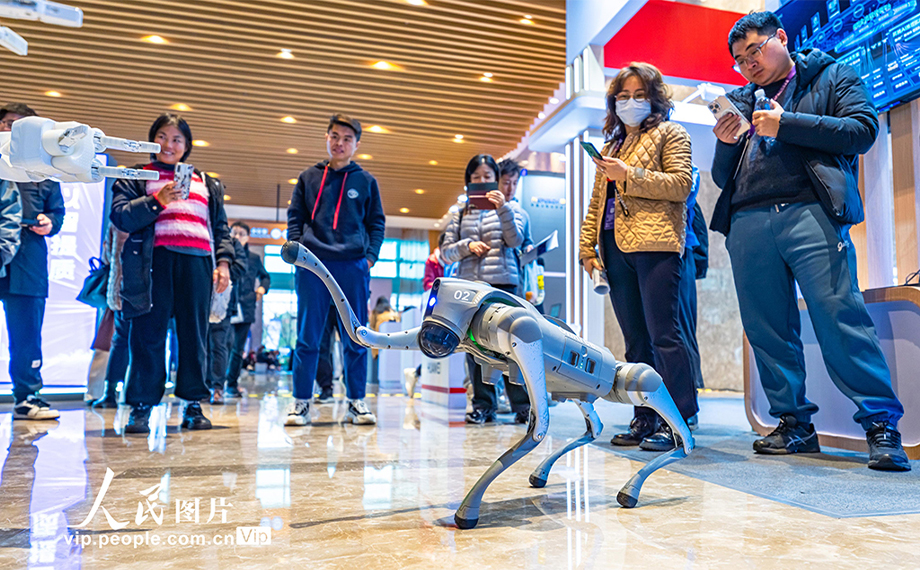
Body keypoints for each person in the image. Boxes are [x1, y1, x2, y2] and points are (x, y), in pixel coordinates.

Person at [711, 12, 910, 471]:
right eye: (740, 59)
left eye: (755, 50)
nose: (749, 63)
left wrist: (787, 124)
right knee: (766, 329)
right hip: (747, 221)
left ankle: (881, 425)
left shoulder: (833, 75)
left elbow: (862, 131)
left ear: (781, 38)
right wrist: (725, 143)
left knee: (840, 317)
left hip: (810, 210)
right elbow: (723, 177)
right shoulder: (739, 101)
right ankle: (794, 424)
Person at [580, 62, 697, 451]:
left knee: (664, 335)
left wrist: (629, 174)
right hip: (614, 247)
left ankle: (678, 419)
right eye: (623, 96)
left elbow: (681, 185)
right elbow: (597, 204)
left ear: (655, 98)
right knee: (635, 342)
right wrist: (586, 248)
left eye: (639, 95)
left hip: (656, 244)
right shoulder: (611, 146)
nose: (630, 102)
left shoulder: (672, 133)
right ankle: (644, 416)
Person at [111, 113, 234, 434]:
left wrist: (223, 263)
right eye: (162, 137)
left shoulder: (206, 182)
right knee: (147, 335)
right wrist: (157, 200)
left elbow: (220, 228)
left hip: (197, 263)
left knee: (195, 337)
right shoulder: (136, 176)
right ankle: (141, 406)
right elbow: (121, 216)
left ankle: (193, 405)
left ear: (187, 145)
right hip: (153, 262)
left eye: (177, 139)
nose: (169, 144)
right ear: (152, 140)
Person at [286, 113, 386, 426]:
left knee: (356, 336)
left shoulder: (366, 181)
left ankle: (356, 402)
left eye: (346, 139)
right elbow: (295, 216)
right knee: (308, 337)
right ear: (326, 138)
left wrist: (369, 258)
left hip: (353, 266)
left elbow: (376, 223)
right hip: (312, 265)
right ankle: (301, 402)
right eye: (334, 136)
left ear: (356, 144)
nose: (339, 143)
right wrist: (298, 251)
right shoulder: (308, 177)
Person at [442, 154, 530, 425]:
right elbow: (446, 252)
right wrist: (466, 246)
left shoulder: (511, 209)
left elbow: (515, 241)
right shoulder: (460, 213)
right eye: (476, 177)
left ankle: (523, 406)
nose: (482, 181)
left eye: (488, 177)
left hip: (504, 284)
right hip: (470, 288)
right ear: (468, 181)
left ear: (496, 179)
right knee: (475, 347)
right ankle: (483, 405)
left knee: (511, 346)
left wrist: (502, 209)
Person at [0, 103, 65, 421]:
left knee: (26, 333)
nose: (14, 131)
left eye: (23, 126)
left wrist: (49, 223)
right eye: (9, 124)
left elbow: (58, 214)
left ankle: (27, 396)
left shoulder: (45, 172)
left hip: (29, 258)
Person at [224, 221, 271, 398]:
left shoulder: (253, 258)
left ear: (247, 237)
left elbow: (265, 277)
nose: (237, 237)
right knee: (222, 345)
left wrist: (261, 289)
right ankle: (216, 384)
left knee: (238, 349)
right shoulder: (225, 256)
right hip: (225, 306)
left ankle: (232, 384)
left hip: (246, 307)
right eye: (234, 233)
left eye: (241, 234)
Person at [207, 232, 247, 404]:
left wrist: (219, 274)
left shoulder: (232, 243)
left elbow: (241, 268)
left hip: (222, 301)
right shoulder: (203, 236)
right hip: (198, 296)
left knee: (218, 344)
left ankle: (217, 387)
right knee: (199, 344)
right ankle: (200, 387)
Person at [91, 222, 129, 408]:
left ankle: (109, 392)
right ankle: (134, 395)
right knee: (143, 343)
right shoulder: (153, 217)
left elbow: (106, 257)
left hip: (119, 288)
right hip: (148, 290)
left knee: (118, 341)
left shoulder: (118, 220)